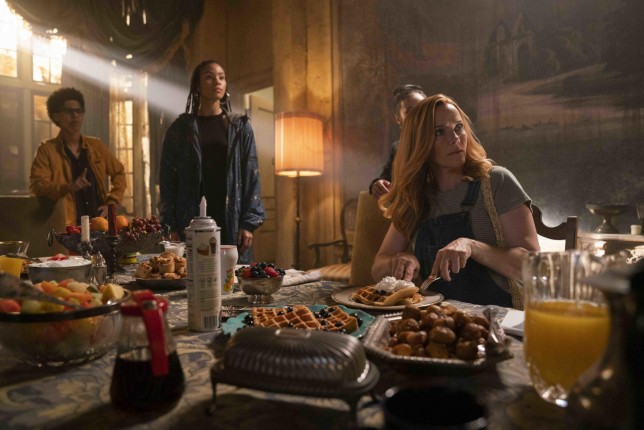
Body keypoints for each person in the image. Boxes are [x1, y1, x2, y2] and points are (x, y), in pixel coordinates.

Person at [371, 94, 539, 307]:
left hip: (501, 318)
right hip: (437, 318)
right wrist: (401, 259)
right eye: (439, 132)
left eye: (458, 127)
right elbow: (377, 268)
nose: (455, 138)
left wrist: (473, 247)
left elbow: (534, 268)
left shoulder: (496, 181)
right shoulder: (415, 197)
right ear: (419, 143)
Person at [159, 59, 265, 263]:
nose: (217, 81)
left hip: (230, 216)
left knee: (231, 276)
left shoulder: (240, 127)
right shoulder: (180, 129)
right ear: (197, 85)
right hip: (190, 217)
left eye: (221, 77)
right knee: (193, 273)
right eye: (209, 77)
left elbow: (252, 176)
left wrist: (248, 223)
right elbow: (167, 180)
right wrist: (170, 225)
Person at [29, 87, 127, 227]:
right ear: (56, 116)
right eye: (68, 111)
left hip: (100, 224)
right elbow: (38, 186)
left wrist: (112, 202)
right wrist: (68, 187)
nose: (75, 115)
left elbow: (119, 172)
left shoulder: (96, 146)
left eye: (79, 111)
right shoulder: (47, 150)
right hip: (69, 226)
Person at [369, 84, 426, 199]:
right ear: (398, 119)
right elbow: (385, 179)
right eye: (410, 111)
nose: (418, 115)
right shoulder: (397, 148)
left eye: (422, 109)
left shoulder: (444, 140)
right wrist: (376, 185)